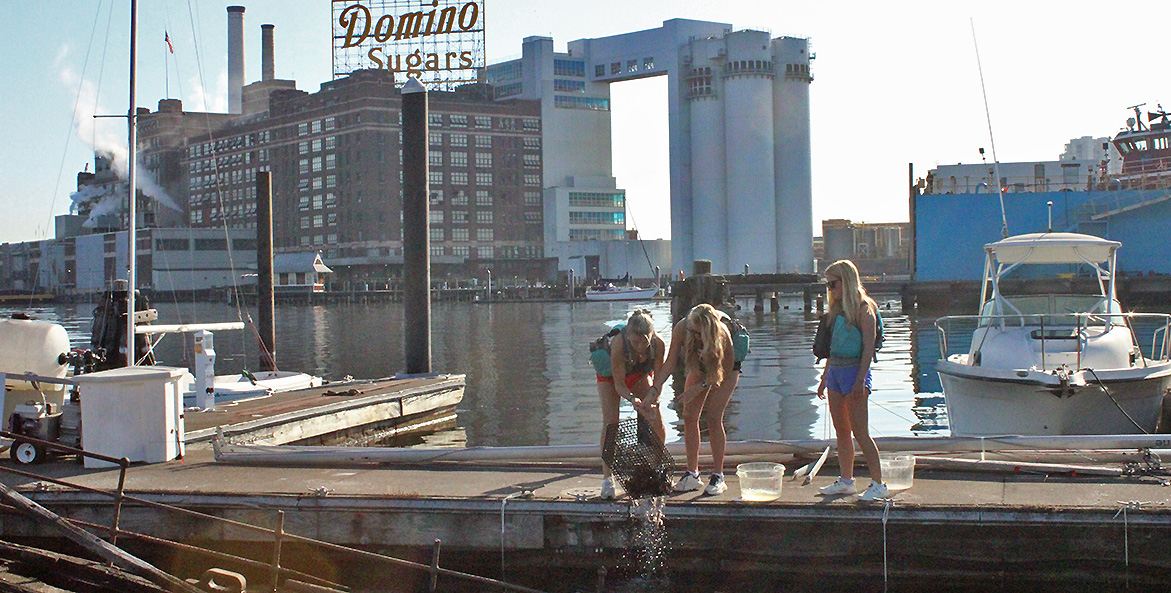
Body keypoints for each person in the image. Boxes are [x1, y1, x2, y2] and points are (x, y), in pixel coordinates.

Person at [645, 303, 739, 495]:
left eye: (699, 333)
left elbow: (725, 370)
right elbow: (670, 362)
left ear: (708, 331)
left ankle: (718, 475)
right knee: (689, 415)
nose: (695, 336)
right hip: (700, 362)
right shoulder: (682, 327)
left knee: (713, 416)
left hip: (725, 367)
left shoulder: (723, 334)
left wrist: (701, 387)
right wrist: (654, 390)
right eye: (693, 331)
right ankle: (692, 473)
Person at [817, 260, 888, 501]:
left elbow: (868, 349)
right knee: (842, 431)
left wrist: (860, 381)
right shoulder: (837, 309)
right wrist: (825, 377)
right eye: (828, 284)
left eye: (833, 284)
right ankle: (846, 480)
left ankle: (879, 483)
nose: (830, 288)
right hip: (836, 371)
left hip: (854, 373)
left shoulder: (864, 309)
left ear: (845, 282)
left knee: (861, 432)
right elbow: (832, 347)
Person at [597, 309, 667, 499]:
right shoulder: (620, 343)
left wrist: (652, 398)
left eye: (644, 342)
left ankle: (657, 469)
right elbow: (619, 384)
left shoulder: (658, 344)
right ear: (628, 335)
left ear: (651, 336)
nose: (639, 346)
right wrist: (633, 400)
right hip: (611, 377)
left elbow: (658, 380)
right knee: (611, 423)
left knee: (656, 419)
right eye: (635, 342)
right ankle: (607, 479)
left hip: (639, 374)